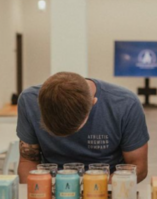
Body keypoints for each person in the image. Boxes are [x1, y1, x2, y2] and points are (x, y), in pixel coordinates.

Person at [17, 72, 149, 183]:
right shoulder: (29, 101)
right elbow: (28, 160)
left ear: (93, 103)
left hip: (108, 185)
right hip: (50, 184)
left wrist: (100, 189)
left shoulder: (125, 104)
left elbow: (138, 166)